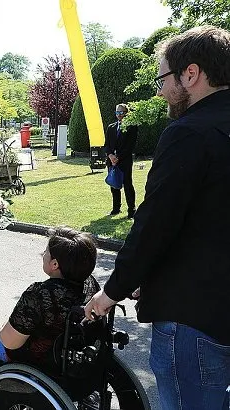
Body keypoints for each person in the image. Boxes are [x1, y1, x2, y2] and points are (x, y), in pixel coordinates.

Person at [84, 25, 230, 410]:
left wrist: (110, 292)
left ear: (191, 74)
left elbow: (156, 225)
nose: (160, 90)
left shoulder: (189, 133)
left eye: (162, 78)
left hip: (193, 317)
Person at [0, 226, 99, 371]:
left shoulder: (40, 293)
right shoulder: (91, 285)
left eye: (46, 252)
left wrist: (4, 328)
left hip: (44, 362)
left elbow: (9, 342)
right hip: (76, 359)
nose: (43, 254)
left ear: (55, 264)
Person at [104, 104, 137, 218]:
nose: (119, 115)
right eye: (117, 112)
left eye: (121, 112)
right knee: (114, 185)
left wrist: (118, 157)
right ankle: (116, 208)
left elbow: (130, 146)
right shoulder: (111, 127)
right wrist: (110, 156)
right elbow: (106, 145)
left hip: (124, 161)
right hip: (112, 161)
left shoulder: (131, 127)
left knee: (127, 185)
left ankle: (131, 209)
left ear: (126, 113)